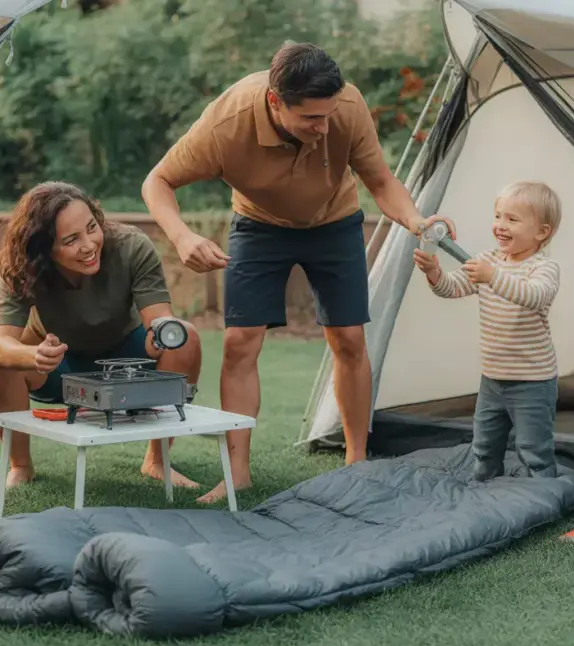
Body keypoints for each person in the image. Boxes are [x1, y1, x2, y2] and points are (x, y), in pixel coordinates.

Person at [141, 42, 454, 504]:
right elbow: (157, 181)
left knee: (349, 338)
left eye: (328, 116)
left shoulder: (346, 105)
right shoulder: (226, 122)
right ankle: (236, 472)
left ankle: (356, 461)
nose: (324, 127)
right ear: (274, 101)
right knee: (239, 343)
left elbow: (381, 181)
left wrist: (416, 219)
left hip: (334, 222)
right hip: (258, 226)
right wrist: (184, 237)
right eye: (311, 118)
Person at [0, 181, 203, 495]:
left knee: (186, 337)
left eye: (92, 228)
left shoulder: (130, 246)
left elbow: (160, 319)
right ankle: (20, 466)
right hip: (59, 365)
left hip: (126, 360)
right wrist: (35, 356)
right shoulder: (20, 266)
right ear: (42, 248)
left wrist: (159, 336)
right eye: (71, 239)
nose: (88, 245)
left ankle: (157, 459)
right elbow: (1, 345)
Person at [413, 181, 562, 481]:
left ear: (541, 232)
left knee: (533, 446)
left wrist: (492, 277)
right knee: (484, 443)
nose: (500, 226)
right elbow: (452, 288)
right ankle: (485, 487)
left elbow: (534, 296)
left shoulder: (543, 268)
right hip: (492, 379)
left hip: (532, 380)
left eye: (512, 219)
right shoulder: (487, 261)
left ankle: (544, 491)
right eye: (498, 216)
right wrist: (434, 273)